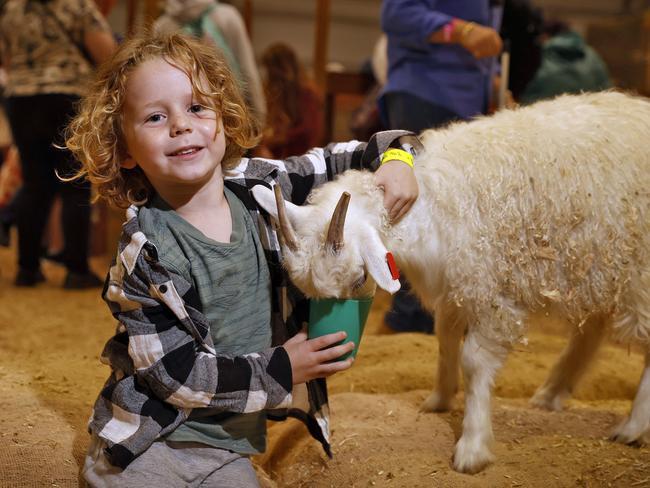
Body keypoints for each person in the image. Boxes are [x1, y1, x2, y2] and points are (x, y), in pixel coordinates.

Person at [65, 31, 420, 486]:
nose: (181, 125)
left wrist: (397, 160)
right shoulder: (145, 254)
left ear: (225, 117)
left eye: (196, 107)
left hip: (229, 450)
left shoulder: (262, 190)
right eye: (156, 116)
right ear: (125, 151)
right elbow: (176, 376)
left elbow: (364, 149)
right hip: (149, 446)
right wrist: (283, 368)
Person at [379, 0, 504, 334]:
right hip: (424, 93)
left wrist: (491, 82)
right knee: (412, 203)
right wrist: (463, 31)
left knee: (452, 211)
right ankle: (408, 315)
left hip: (464, 100)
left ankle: (435, 314)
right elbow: (396, 15)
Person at [0, 0, 117, 287]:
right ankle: (77, 270)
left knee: (34, 182)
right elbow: (106, 55)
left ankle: (27, 268)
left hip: (21, 97)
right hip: (67, 96)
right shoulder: (75, 5)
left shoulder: (10, 8)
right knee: (74, 182)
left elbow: (5, 55)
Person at [154, 0, 266, 127]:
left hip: (183, 118)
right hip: (229, 113)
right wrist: (259, 120)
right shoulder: (228, 16)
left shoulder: (162, 25)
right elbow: (248, 72)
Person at [519, 19, 611, 104]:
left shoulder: (539, 53)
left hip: (543, 115)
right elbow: (605, 88)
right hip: (586, 114)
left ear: (545, 35)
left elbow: (525, 90)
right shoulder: (591, 53)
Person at [257, 42, 323, 159]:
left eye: (271, 72)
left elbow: (308, 130)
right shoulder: (274, 91)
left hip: (300, 159)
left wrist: (278, 138)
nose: (269, 77)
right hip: (278, 156)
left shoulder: (307, 93)